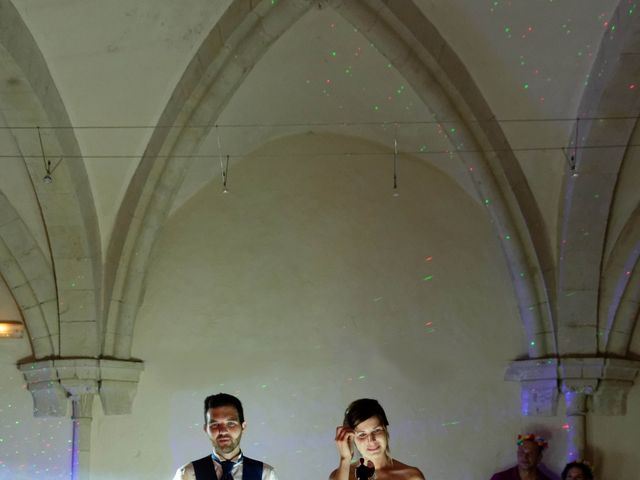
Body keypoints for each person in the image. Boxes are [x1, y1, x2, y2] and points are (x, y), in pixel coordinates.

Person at [173, 393, 279, 480]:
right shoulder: (187, 474)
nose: (223, 431)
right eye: (215, 425)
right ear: (206, 429)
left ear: (243, 426)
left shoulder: (265, 474)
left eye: (230, 424)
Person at [330, 398, 425, 480]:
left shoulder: (411, 476)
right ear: (351, 439)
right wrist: (345, 459)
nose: (371, 439)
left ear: (385, 430)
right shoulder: (343, 476)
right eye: (362, 434)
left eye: (376, 430)